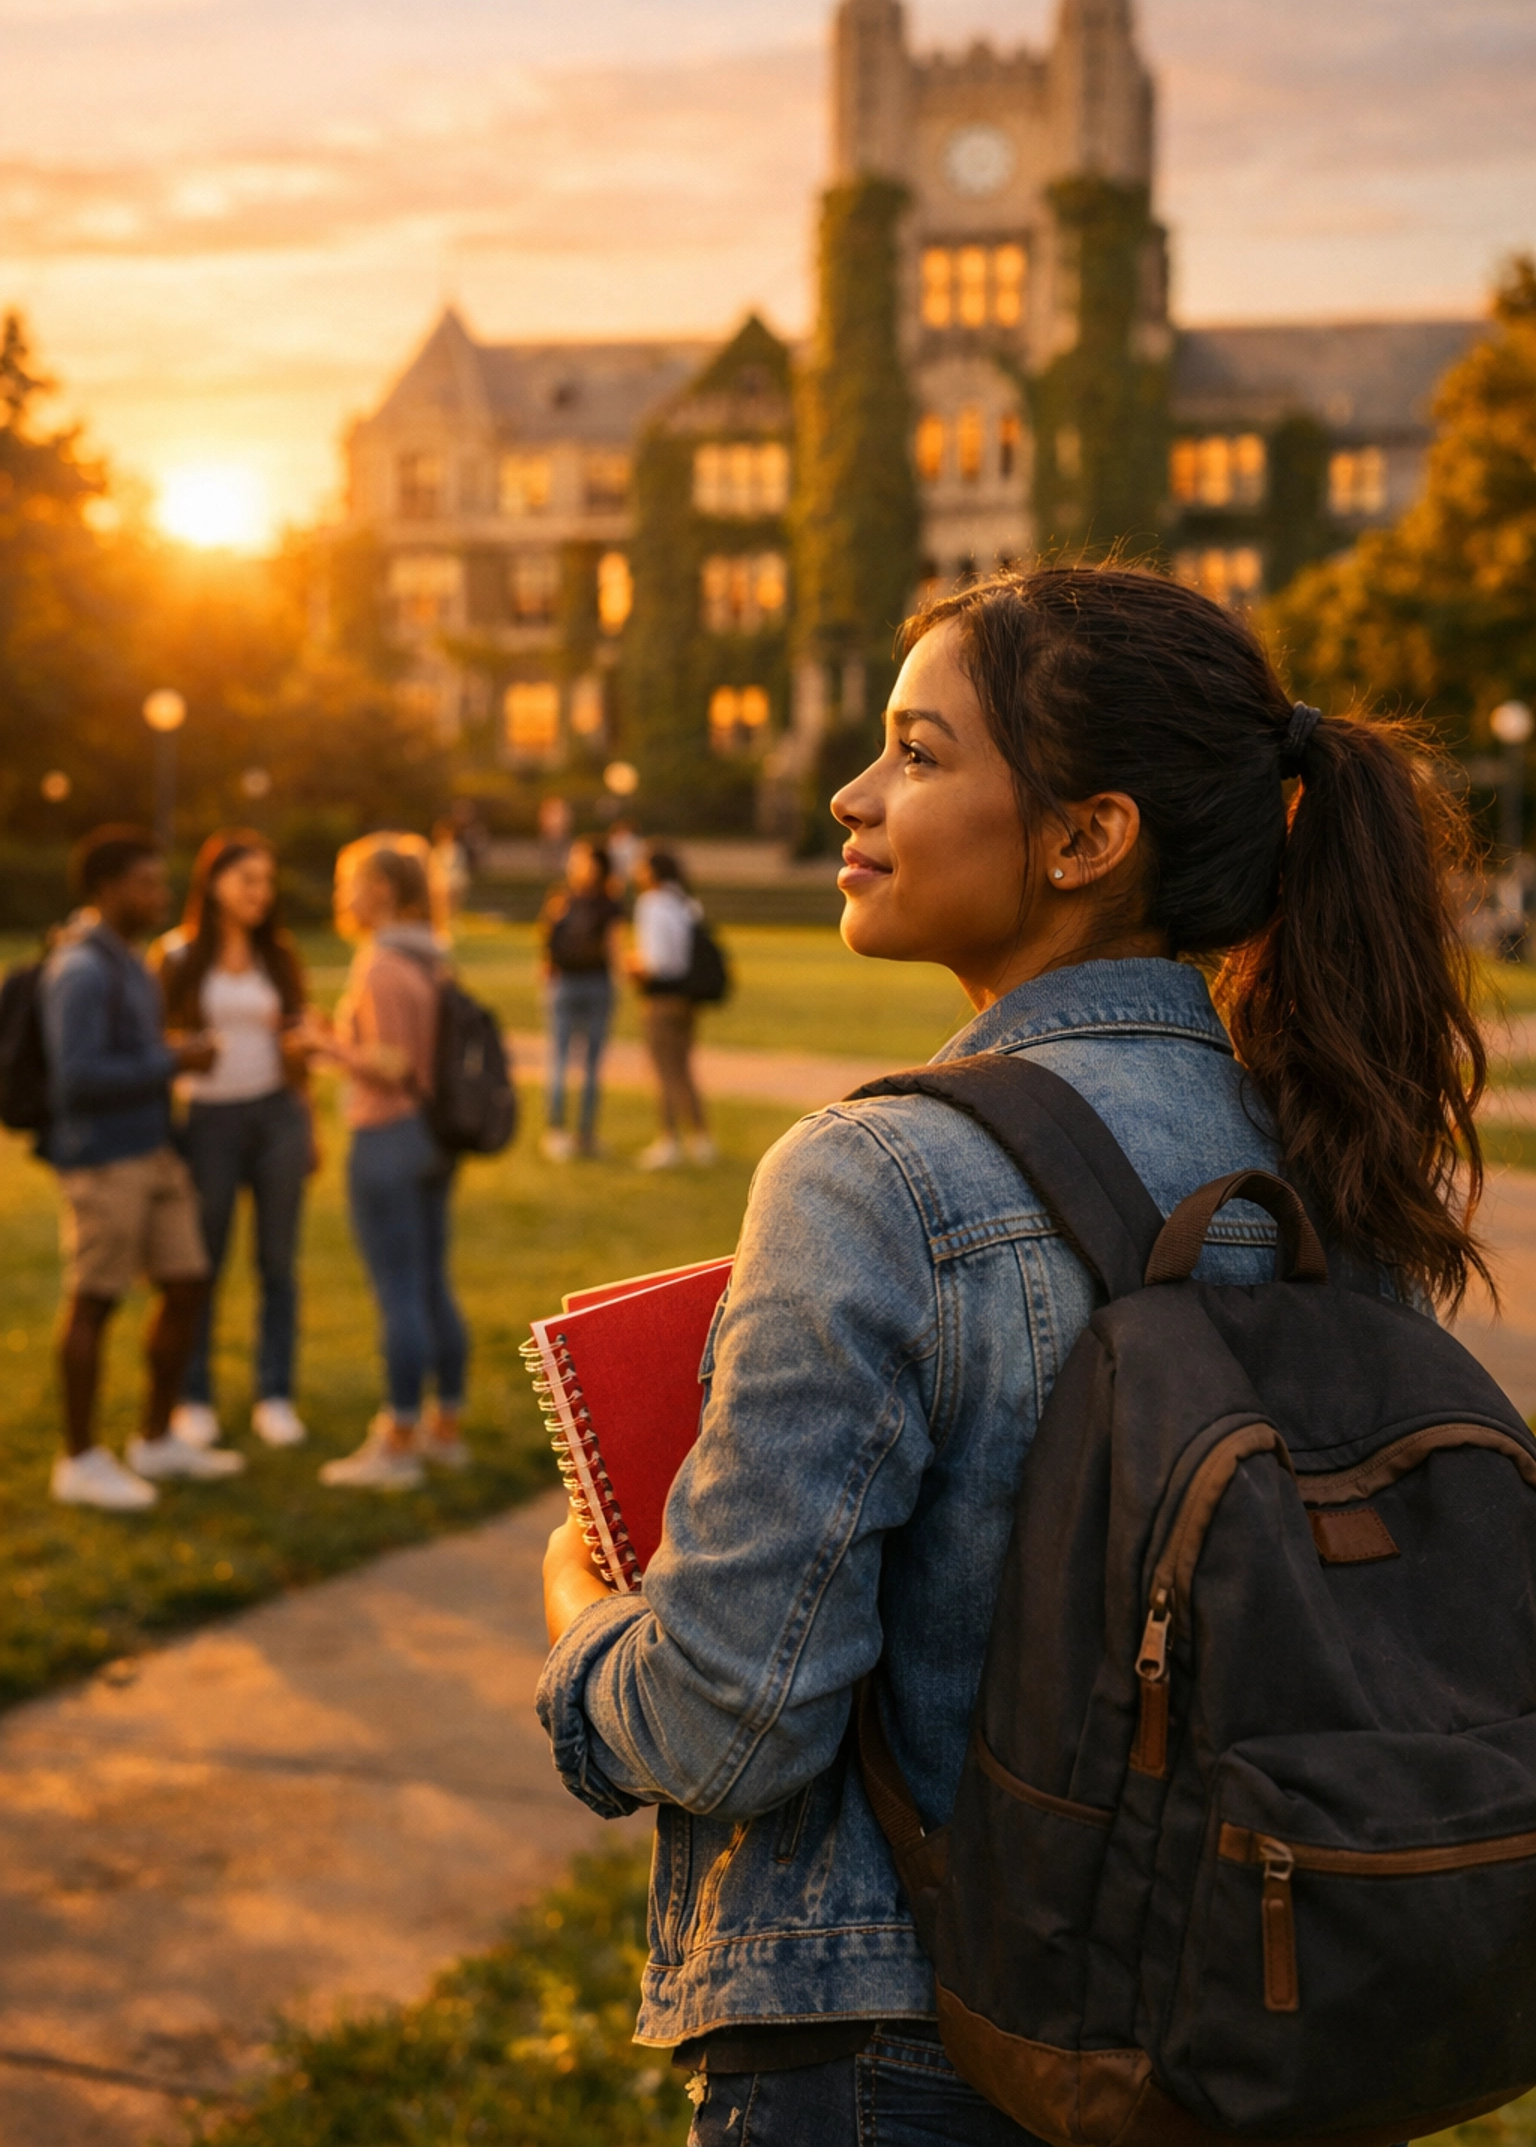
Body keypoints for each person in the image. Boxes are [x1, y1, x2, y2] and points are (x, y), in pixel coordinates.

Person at [537, 568, 1487, 2145]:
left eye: (917, 751)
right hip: (1258, 2029)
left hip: (914, 2051)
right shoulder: (1329, 1155)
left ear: (1085, 837)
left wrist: (580, 1612)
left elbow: (729, 1720)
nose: (854, 792)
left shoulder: (876, 1178)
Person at [42, 826, 247, 1510]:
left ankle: (155, 1438)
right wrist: (175, 1061)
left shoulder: (128, 959)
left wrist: (170, 1050)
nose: (161, 894)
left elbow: (124, 1049)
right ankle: (79, 1458)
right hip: (104, 1157)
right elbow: (76, 1076)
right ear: (107, 889)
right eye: (147, 883)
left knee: (187, 1282)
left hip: (154, 1149)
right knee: (94, 1301)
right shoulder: (82, 968)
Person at [312, 833, 469, 1491]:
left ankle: (398, 1441)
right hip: (433, 1140)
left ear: (378, 891)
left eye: (351, 880)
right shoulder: (432, 955)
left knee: (398, 1293)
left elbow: (392, 1063)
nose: (344, 894)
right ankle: (446, 1431)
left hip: (386, 1137)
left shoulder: (379, 961)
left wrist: (322, 1043)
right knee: (432, 1282)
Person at [154, 829, 312, 1450]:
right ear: (213, 882)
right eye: (248, 879)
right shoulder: (176, 956)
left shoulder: (280, 955)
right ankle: (193, 1397)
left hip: (277, 1116)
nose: (260, 892)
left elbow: (299, 1047)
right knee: (203, 1263)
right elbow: (153, 1045)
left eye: (267, 881)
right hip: (209, 1122)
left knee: (277, 1263)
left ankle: (275, 1395)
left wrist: (310, 1122)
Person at [628, 848, 714, 1171]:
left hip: (661, 998)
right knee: (684, 1069)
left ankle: (669, 1139)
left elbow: (657, 962)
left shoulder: (651, 903)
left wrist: (632, 965)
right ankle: (701, 1137)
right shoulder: (686, 902)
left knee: (664, 1071)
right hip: (687, 999)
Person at [539, 837, 623, 1161]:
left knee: (566, 1061)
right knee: (580, 1063)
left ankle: (564, 1133)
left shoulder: (564, 898)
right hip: (590, 984)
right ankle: (574, 1133)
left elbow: (546, 941)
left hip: (570, 984)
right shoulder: (605, 902)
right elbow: (612, 947)